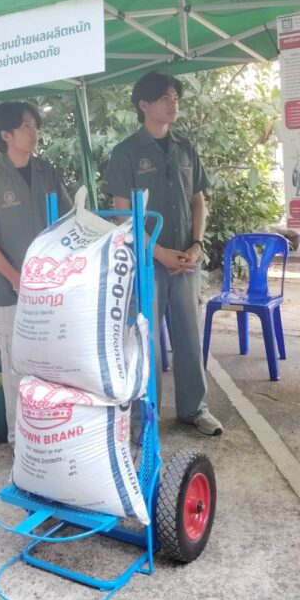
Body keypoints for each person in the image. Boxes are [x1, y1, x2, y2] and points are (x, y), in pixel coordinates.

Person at [101, 71, 223, 437]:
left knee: (189, 338)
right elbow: (122, 213)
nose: (174, 104)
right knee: (145, 343)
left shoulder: (185, 148)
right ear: (144, 105)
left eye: (176, 98)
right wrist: (157, 252)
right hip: (146, 265)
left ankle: (194, 409)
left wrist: (196, 244)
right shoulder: (126, 152)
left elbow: (198, 201)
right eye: (166, 98)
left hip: (186, 260)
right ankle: (144, 420)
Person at [0, 102, 72, 443]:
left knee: (52, 365)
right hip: (12, 292)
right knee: (16, 370)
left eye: (34, 125)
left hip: (51, 291)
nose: (33, 131)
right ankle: (18, 440)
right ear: (6, 134)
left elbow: (68, 221)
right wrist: (14, 277)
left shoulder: (46, 171)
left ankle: (49, 436)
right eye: (26, 126)